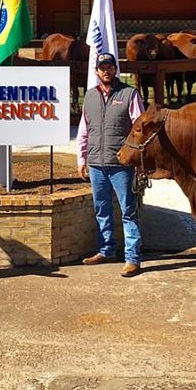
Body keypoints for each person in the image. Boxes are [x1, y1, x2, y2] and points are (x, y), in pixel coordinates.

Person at [77, 52, 146, 277]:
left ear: (116, 69)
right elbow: (84, 131)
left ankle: (132, 258)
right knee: (102, 210)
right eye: (102, 67)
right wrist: (81, 158)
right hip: (96, 163)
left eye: (110, 67)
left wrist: (138, 161)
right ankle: (106, 250)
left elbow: (140, 131)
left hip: (122, 165)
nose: (106, 71)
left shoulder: (129, 94)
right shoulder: (89, 96)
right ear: (96, 71)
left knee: (128, 211)